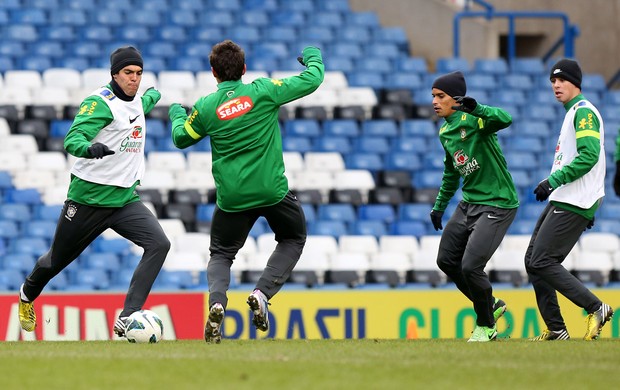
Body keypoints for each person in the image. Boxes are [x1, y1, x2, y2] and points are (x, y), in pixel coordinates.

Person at [168, 40, 324, 343]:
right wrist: (312, 56)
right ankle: (261, 292)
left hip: (233, 198)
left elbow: (180, 139)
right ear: (244, 69)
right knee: (293, 237)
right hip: (271, 191)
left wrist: (177, 112)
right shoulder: (263, 90)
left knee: (222, 254)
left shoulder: (206, 107)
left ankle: (216, 302)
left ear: (213, 72)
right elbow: (313, 80)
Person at [18, 46, 170, 338]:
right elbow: (72, 138)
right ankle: (26, 295)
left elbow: (145, 101)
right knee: (55, 260)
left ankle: (127, 317)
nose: (134, 79)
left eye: (138, 73)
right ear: (114, 73)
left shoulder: (138, 99)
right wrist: (89, 148)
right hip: (88, 200)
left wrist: (157, 95)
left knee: (160, 244)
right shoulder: (100, 103)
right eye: (128, 73)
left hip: (124, 200)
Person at [525, 58, 613, 341]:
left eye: (561, 79)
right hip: (568, 197)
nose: (555, 85)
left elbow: (589, 156)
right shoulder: (573, 112)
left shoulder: (584, 112)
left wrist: (552, 181)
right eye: (552, 80)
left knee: (541, 260)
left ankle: (596, 307)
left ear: (576, 82)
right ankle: (556, 329)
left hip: (573, 199)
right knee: (533, 260)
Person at [429, 71, 519, 342]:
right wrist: (439, 206)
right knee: (446, 260)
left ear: (455, 99)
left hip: (498, 203)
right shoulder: (445, 131)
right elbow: (451, 172)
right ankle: (491, 305)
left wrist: (478, 108)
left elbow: (506, 118)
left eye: (440, 96)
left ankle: (486, 325)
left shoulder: (476, 120)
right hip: (469, 203)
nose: (434, 101)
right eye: (433, 96)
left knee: (470, 267)